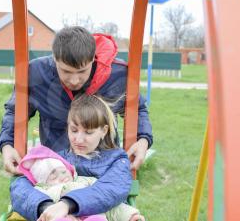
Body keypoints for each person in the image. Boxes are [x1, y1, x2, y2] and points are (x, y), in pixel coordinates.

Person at [0, 26, 153, 175]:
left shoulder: (117, 75)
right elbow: (15, 111)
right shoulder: (36, 73)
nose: (73, 80)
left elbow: (137, 110)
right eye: (66, 71)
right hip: (56, 169)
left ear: (93, 58)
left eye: (81, 71)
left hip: (104, 168)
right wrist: (7, 145)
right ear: (54, 58)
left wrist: (143, 140)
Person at [10, 94, 144, 221]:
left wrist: (67, 204)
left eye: (88, 132)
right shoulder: (57, 159)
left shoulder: (116, 160)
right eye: (74, 130)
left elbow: (110, 189)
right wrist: (45, 206)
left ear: (104, 131)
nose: (79, 139)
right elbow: (20, 188)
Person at [18, 145, 145, 221]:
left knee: (98, 217)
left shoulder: (86, 181)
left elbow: (110, 205)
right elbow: (35, 204)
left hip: (93, 215)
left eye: (63, 172)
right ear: (44, 183)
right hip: (65, 217)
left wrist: (130, 215)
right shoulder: (42, 191)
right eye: (53, 176)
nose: (61, 177)